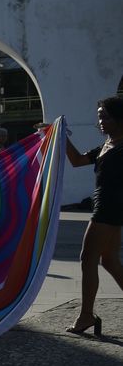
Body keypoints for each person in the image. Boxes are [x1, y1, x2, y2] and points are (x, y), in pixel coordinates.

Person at [62, 96, 123, 336]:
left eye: (104, 116)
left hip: (109, 208)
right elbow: (76, 161)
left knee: (87, 258)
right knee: (108, 260)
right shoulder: (107, 145)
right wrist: (60, 136)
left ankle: (86, 314)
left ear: (120, 119)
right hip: (106, 207)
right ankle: (87, 314)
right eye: (99, 116)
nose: (100, 121)